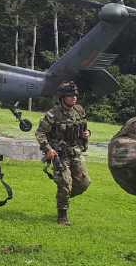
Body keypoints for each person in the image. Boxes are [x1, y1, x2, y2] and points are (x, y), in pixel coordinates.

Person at [35, 81, 91, 225]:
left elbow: (84, 128)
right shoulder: (53, 114)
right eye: (70, 95)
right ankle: (62, 215)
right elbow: (40, 133)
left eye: (75, 95)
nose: (74, 98)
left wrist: (87, 134)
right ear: (62, 97)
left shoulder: (79, 111)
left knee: (84, 183)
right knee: (65, 183)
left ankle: (63, 196)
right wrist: (48, 149)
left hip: (75, 152)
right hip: (59, 154)